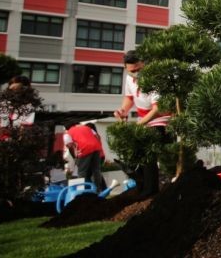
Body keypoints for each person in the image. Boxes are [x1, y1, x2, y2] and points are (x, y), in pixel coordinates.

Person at [114, 51, 171, 196]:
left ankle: (150, 189)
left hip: (161, 119)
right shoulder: (129, 79)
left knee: (147, 149)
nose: (137, 73)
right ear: (127, 69)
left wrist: (139, 126)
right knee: (132, 151)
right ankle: (143, 184)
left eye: (139, 69)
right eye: (133, 71)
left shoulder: (155, 80)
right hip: (144, 120)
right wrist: (123, 111)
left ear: (144, 64)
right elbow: (129, 98)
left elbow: (157, 109)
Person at [64, 122, 105, 191]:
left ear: (66, 129)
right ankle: (98, 189)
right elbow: (97, 136)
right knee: (96, 170)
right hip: (96, 148)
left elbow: (70, 146)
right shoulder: (87, 127)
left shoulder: (68, 133)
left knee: (82, 172)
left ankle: (83, 191)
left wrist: (76, 156)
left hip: (84, 149)